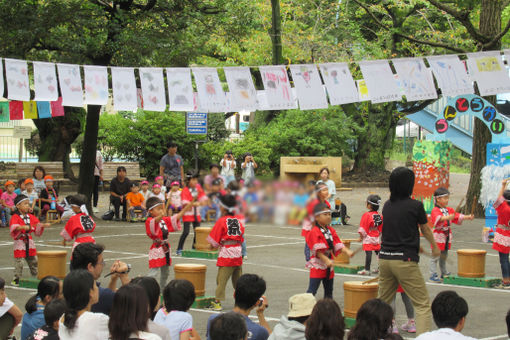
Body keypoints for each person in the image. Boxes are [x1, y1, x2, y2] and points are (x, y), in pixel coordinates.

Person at [377, 167, 440, 335]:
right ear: (409, 185)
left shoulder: (387, 206)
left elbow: (394, 229)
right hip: (405, 260)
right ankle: (423, 337)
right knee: (422, 303)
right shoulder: (416, 205)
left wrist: (412, 242)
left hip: (385, 259)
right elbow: (425, 230)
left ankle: (378, 335)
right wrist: (434, 246)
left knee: (383, 303)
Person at [306, 203, 353, 299]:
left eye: (329, 214)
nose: (328, 217)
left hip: (329, 263)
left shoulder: (330, 230)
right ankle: (305, 310)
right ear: (317, 217)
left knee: (329, 291)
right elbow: (317, 251)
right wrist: (325, 260)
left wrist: (347, 251)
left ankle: (328, 310)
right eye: (325, 214)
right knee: (312, 291)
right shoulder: (314, 231)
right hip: (318, 265)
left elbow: (337, 243)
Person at [207, 194, 245, 310]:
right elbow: (241, 236)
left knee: (221, 279)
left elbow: (214, 241)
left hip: (227, 254)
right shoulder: (238, 220)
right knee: (238, 280)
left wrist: (211, 247)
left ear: (223, 208)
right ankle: (241, 301)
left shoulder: (221, 221)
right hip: (237, 253)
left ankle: (217, 302)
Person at [70, 243, 131, 315]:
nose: (103, 265)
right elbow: (133, 308)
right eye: (101, 262)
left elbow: (107, 299)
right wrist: (124, 276)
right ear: (90, 267)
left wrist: (113, 280)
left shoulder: (68, 289)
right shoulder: (99, 294)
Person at [206, 274, 271, 340]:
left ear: (234, 294)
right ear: (257, 303)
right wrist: (260, 314)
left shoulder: (214, 320)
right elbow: (272, 337)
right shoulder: (259, 332)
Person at [429, 187, 474, 283]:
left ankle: (443, 272)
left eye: (447, 198)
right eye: (445, 198)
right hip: (438, 236)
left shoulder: (448, 209)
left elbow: (457, 216)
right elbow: (438, 219)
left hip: (446, 236)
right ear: (438, 199)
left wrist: (468, 217)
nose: (447, 200)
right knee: (435, 256)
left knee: (444, 255)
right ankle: (433, 274)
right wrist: (448, 217)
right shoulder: (435, 210)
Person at [145, 197, 191, 289]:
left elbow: (175, 218)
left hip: (165, 248)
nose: (161, 211)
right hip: (157, 248)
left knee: (165, 273)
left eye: (161, 209)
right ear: (150, 211)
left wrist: (185, 209)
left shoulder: (164, 220)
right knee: (153, 272)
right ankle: (146, 289)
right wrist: (161, 214)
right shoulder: (149, 221)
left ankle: (163, 290)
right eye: (158, 209)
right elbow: (154, 223)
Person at [10, 195, 51, 286]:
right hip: (20, 240)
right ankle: (16, 278)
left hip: (29, 240)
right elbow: (13, 227)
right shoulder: (15, 217)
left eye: (28, 204)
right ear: (18, 206)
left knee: (33, 260)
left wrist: (43, 225)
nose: (27, 206)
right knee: (19, 261)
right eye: (25, 204)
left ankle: (35, 276)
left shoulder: (30, 216)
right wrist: (21, 227)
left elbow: (37, 225)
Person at [58, 270, 109, 340]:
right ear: (90, 292)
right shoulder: (98, 320)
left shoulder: (63, 318)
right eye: (95, 285)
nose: (97, 288)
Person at [176, 172, 208, 255]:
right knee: (186, 232)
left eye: (196, 180)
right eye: (193, 180)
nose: (195, 181)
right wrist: (194, 203)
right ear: (188, 181)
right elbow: (185, 202)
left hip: (196, 213)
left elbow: (203, 198)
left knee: (197, 232)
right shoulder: (185, 190)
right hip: (188, 213)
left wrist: (201, 203)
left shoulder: (198, 188)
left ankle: (194, 247)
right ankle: (179, 248)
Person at [21, 276, 61, 340]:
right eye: (61, 294)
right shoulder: (44, 318)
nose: (64, 296)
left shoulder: (37, 300)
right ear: (48, 298)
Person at [301, 183, 330, 262]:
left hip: (321, 226)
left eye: (327, 189)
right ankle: (308, 260)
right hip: (311, 225)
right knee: (309, 243)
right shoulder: (314, 203)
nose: (326, 192)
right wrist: (314, 227)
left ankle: (321, 258)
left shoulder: (327, 203)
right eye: (324, 190)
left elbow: (327, 216)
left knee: (321, 242)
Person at [357, 194, 383, 276]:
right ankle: (381, 268)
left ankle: (367, 269)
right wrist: (379, 234)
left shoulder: (367, 215)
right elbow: (380, 227)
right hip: (376, 236)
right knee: (378, 252)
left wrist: (361, 237)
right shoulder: (379, 215)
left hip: (368, 236)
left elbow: (363, 228)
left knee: (368, 253)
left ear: (369, 205)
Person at [492, 179, 510, 289]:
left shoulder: (503, 207)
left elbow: (498, 200)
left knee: (503, 259)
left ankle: (506, 281)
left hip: (503, 233)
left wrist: (503, 186)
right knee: (506, 258)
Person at [93, 149, 104, 214]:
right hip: (87, 175)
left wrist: (101, 175)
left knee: (95, 191)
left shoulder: (98, 153)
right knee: (88, 190)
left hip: (96, 174)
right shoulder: (86, 151)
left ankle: (95, 206)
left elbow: (100, 165)